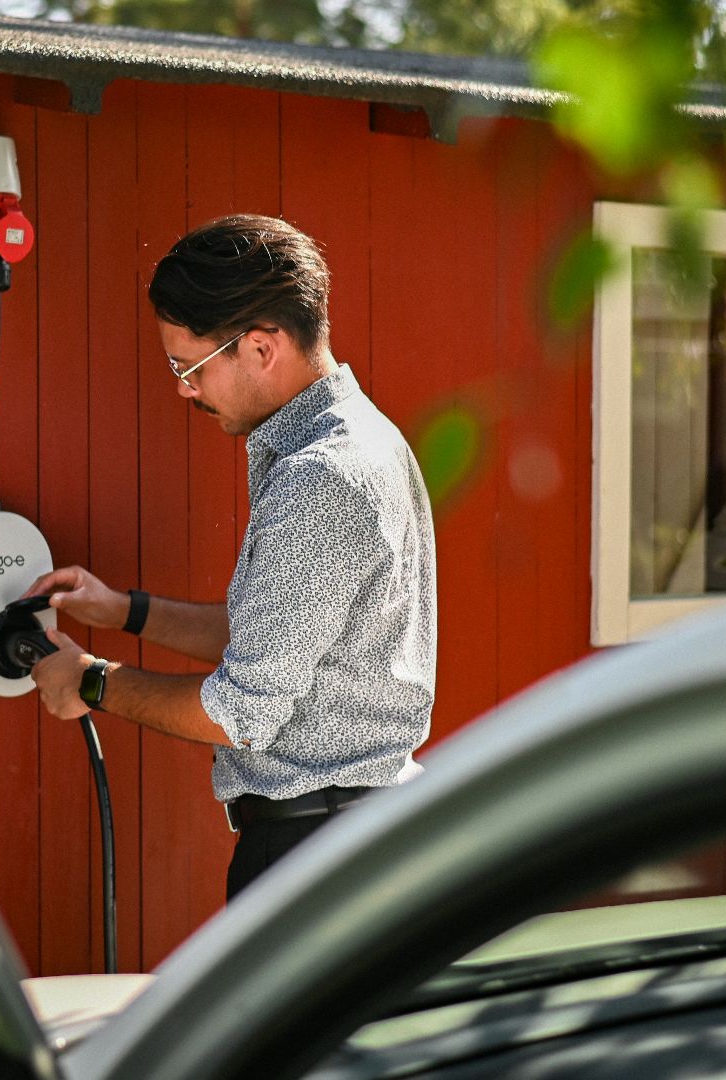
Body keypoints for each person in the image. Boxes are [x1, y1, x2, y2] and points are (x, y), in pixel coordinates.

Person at [25, 214, 438, 901]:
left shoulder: (322, 477)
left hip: (317, 862)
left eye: (188, 367)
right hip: (356, 842)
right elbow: (283, 641)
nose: (183, 389)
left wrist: (90, 681)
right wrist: (125, 611)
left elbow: (241, 713)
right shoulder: (365, 437)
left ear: (262, 348)